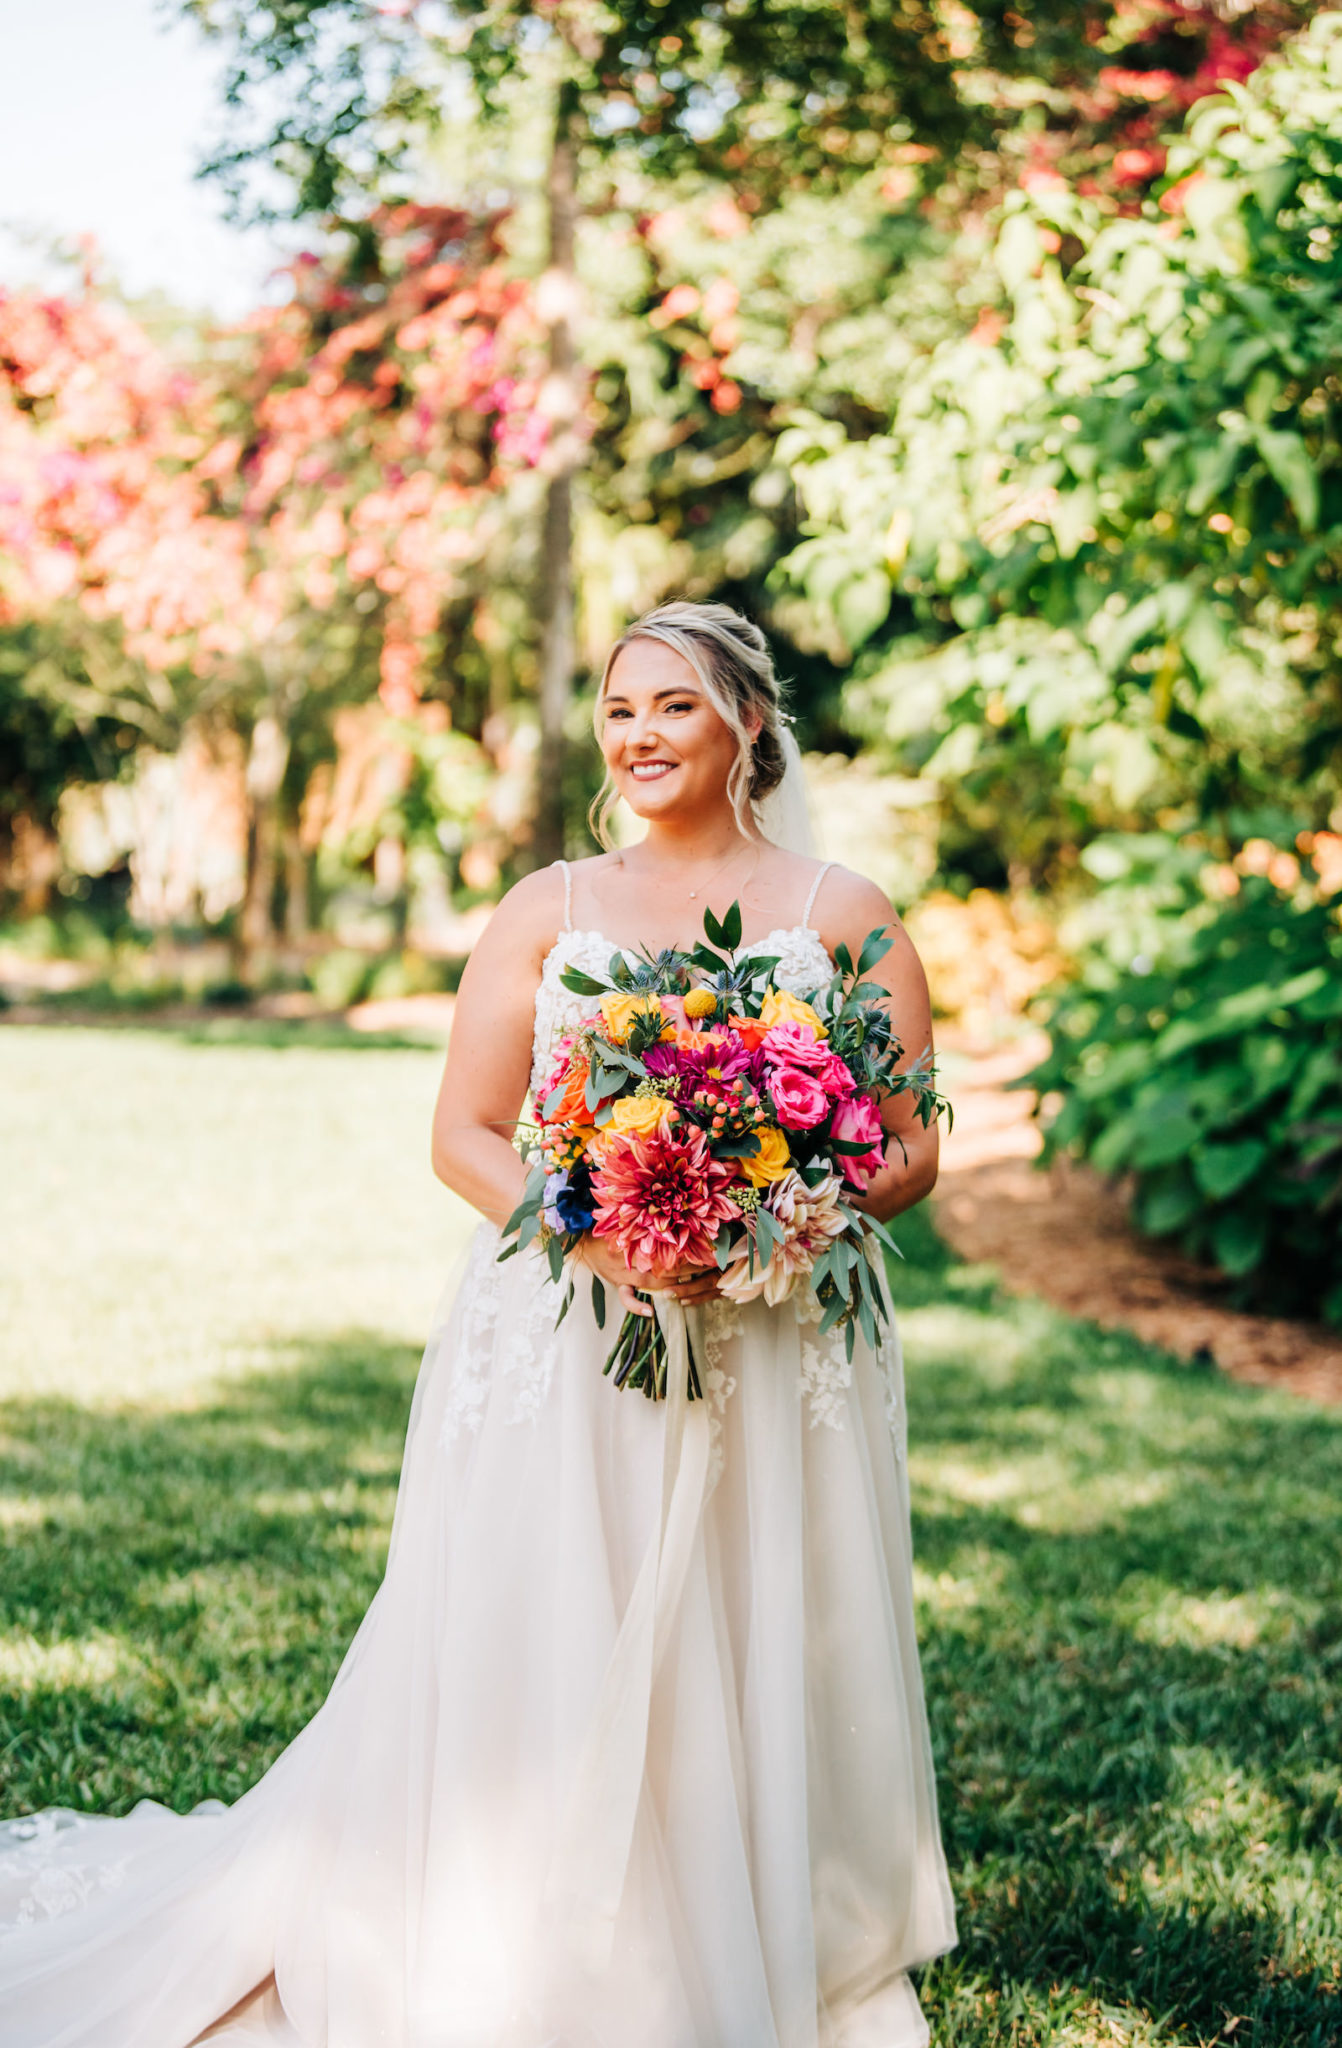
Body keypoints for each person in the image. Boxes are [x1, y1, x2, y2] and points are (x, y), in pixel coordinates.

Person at [0, 599, 957, 2046]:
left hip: (779, 1328)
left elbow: (908, 1147)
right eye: (620, 711)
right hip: (572, 1328)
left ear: (747, 724)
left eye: (674, 708)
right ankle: (551, 1936)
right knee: (556, 1604)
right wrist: (620, 1228)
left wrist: (789, 1205)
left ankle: (768, 1911)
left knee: (754, 1598)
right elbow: (460, 1132)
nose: (637, 736)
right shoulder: (549, 908)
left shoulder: (843, 912)